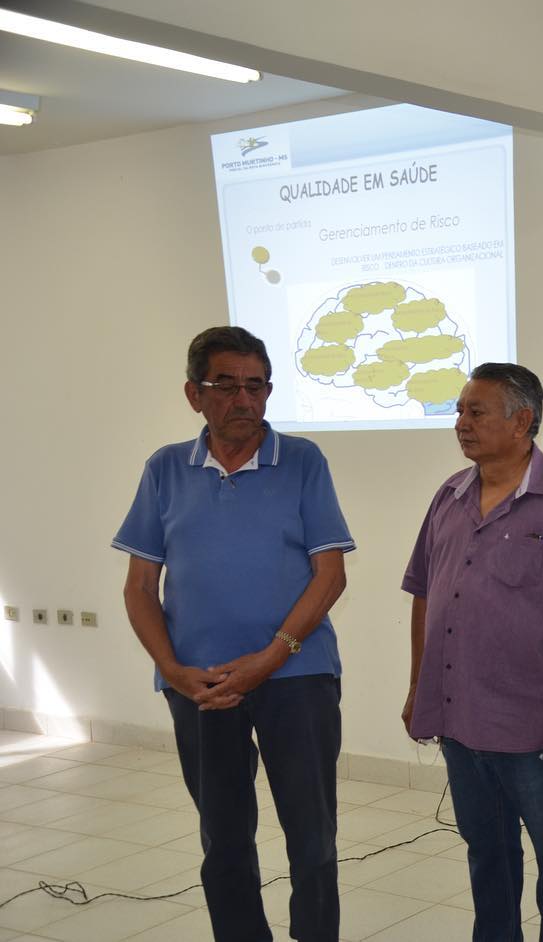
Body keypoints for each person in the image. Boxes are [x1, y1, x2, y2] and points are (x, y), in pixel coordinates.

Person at [113, 326, 353, 942]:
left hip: (297, 677)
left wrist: (271, 658)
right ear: (194, 394)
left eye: (256, 386)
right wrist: (172, 670)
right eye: (226, 385)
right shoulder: (165, 469)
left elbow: (330, 575)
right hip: (201, 685)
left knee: (312, 837)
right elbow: (140, 587)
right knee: (223, 839)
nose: (244, 399)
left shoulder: (302, 461)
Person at [401, 363, 543, 942]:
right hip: (459, 717)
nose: (461, 423)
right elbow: (424, 594)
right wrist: (419, 685)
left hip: (534, 724)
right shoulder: (449, 496)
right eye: (459, 411)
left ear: (522, 422)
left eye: (476, 412)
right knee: (487, 854)